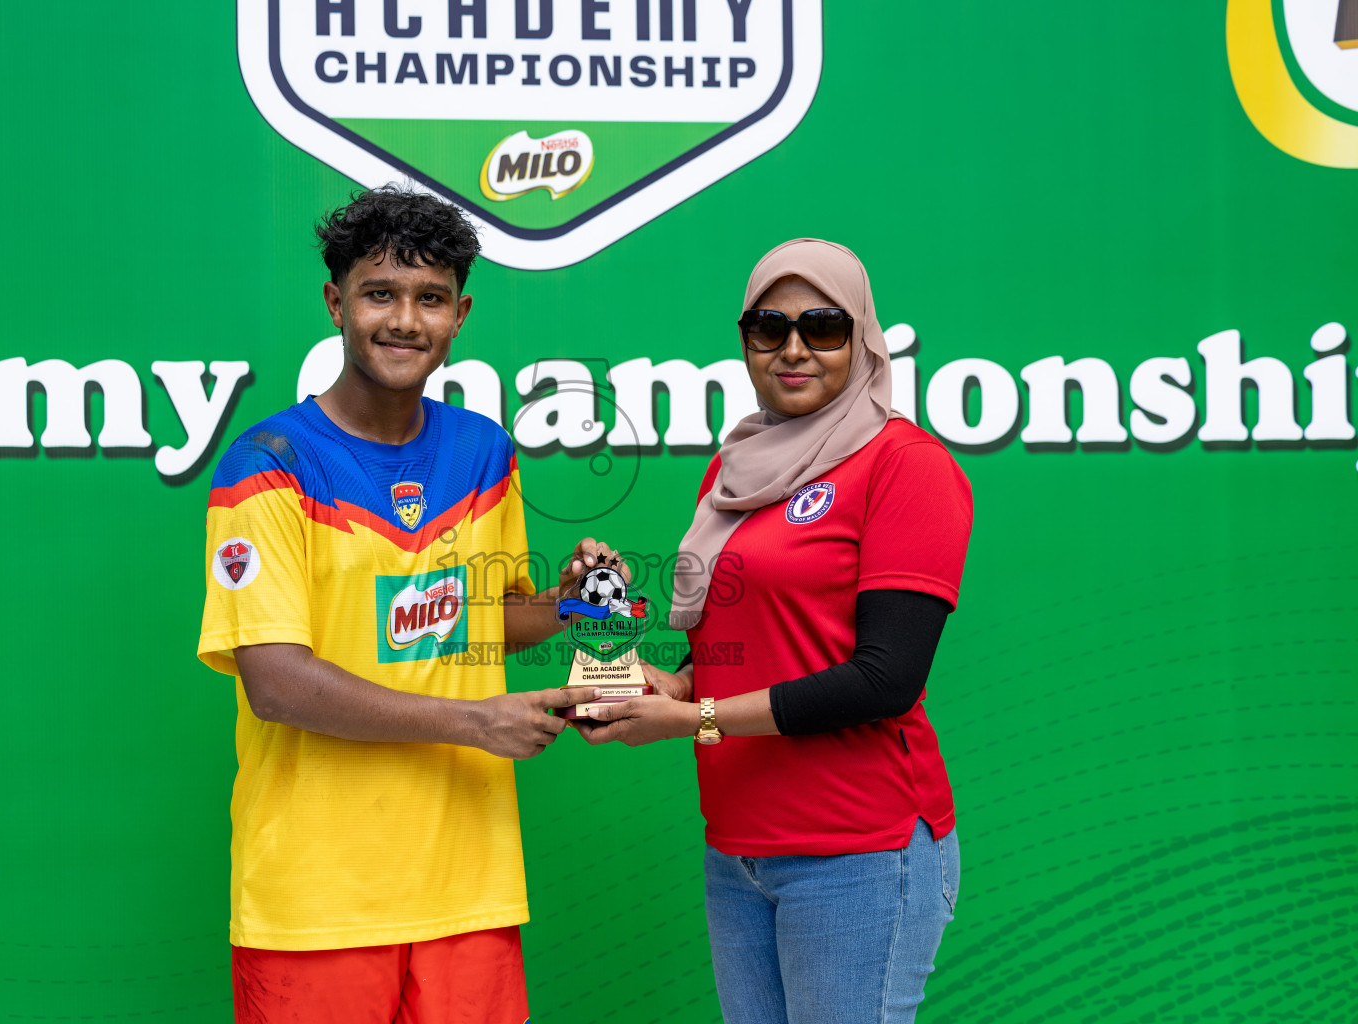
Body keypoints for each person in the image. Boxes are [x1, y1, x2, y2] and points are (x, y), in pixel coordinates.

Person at [197, 185, 617, 1024]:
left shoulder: (483, 452)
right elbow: (275, 682)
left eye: (429, 299)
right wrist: (475, 723)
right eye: (379, 294)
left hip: (471, 889)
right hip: (317, 903)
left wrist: (572, 608)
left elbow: (469, 622)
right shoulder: (267, 464)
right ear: (336, 303)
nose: (403, 321)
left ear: (460, 314)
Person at [579, 238, 973, 1024]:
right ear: (746, 340)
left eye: (822, 326)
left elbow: (885, 679)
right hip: (738, 852)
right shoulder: (739, 470)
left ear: (861, 336)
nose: (794, 349)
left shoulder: (906, 465)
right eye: (770, 327)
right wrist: (666, 683)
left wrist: (695, 719)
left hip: (859, 849)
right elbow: (734, 653)